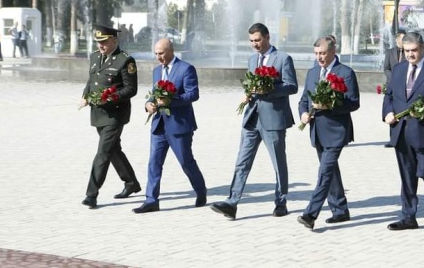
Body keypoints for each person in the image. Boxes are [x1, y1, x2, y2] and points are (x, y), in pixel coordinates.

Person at [210, 23, 298, 220]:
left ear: (267, 37)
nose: (254, 44)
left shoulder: (283, 58)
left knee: (278, 163)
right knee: (242, 161)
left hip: (274, 119)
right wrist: (248, 95)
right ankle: (232, 202)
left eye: (257, 40)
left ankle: (281, 202)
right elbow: (252, 85)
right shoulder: (252, 60)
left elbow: (292, 86)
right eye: (251, 41)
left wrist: (270, 91)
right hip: (252, 118)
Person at [382, 31, 424, 230]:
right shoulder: (398, 69)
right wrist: (387, 113)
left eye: (414, 50)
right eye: (406, 51)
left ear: (422, 48)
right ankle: (408, 216)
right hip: (401, 130)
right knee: (407, 175)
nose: (410, 55)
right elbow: (389, 95)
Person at [134, 38, 207, 213]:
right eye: (156, 54)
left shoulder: (186, 69)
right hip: (159, 124)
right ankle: (151, 200)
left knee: (186, 162)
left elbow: (193, 94)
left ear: (171, 51)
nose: (158, 57)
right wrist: (148, 105)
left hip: (179, 125)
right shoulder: (157, 71)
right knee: (154, 163)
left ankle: (201, 190)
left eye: (161, 53)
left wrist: (171, 100)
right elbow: (154, 93)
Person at [296, 36, 360, 230]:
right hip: (317, 131)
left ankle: (310, 214)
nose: (319, 58)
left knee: (324, 173)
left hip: (336, 131)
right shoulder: (313, 72)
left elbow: (353, 102)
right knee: (330, 172)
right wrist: (303, 113)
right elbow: (303, 100)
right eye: (316, 54)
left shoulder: (345, 73)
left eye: (322, 53)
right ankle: (340, 210)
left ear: (333, 51)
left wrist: (330, 105)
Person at [79, 25, 142, 209]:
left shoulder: (125, 60)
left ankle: (91, 194)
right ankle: (131, 183)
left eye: (104, 41)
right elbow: (91, 80)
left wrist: (112, 96)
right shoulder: (94, 56)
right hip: (98, 112)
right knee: (113, 150)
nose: (101, 45)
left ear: (115, 40)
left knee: (103, 153)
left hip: (115, 113)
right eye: (99, 42)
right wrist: (85, 96)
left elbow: (131, 89)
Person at [382, 31, 405, 147]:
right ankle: (392, 140)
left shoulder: (409, 53)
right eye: (401, 39)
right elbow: (386, 68)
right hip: (391, 85)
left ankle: (402, 138)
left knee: (402, 111)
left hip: (405, 86)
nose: (403, 41)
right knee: (390, 111)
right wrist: (393, 78)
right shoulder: (390, 52)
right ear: (397, 40)